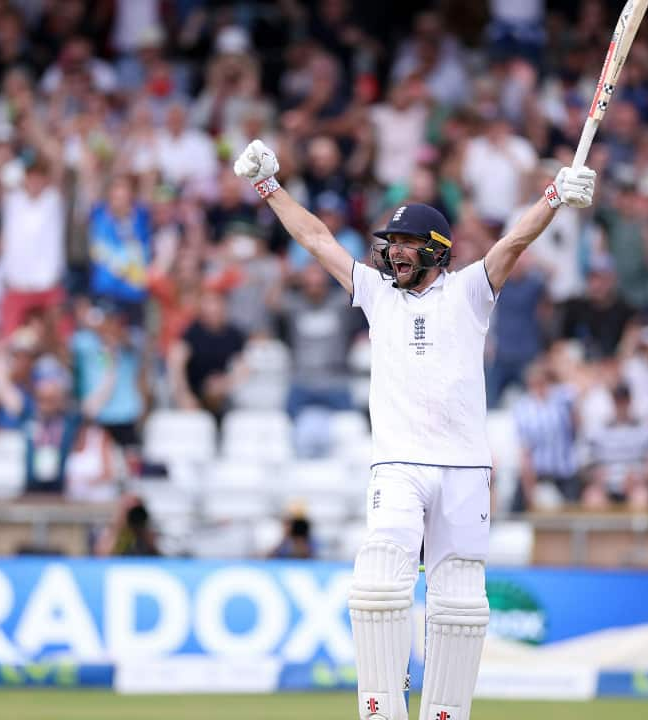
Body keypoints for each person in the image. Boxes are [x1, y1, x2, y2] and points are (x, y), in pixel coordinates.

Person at [233, 139, 594, 720]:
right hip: (398, 463)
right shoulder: (376, 294)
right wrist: (269, 187)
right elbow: (318, 238)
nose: (394, 255)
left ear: (437, 250)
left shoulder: (473, 290)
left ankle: (445, 713)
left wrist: (554, 194)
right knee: (378, 578)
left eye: (406, 246)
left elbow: (516, 241)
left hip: (465, 467)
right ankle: (380, 710)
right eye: (390, 245)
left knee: (459, 602)